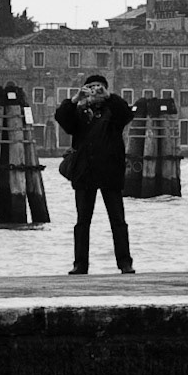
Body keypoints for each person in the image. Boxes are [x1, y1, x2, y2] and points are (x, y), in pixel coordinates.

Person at [54, 74, 136, 274]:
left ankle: (125, 262)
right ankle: (80, 264)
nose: (95, 91)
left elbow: (126, 114)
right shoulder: (78, 112)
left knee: (117, 220)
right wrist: (75, 99)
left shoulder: (113, 110)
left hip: (110, 171)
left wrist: (108, 96)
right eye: (90, 87)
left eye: (99, 87)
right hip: (85, 172)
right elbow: (61, 118)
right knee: (82, 221)